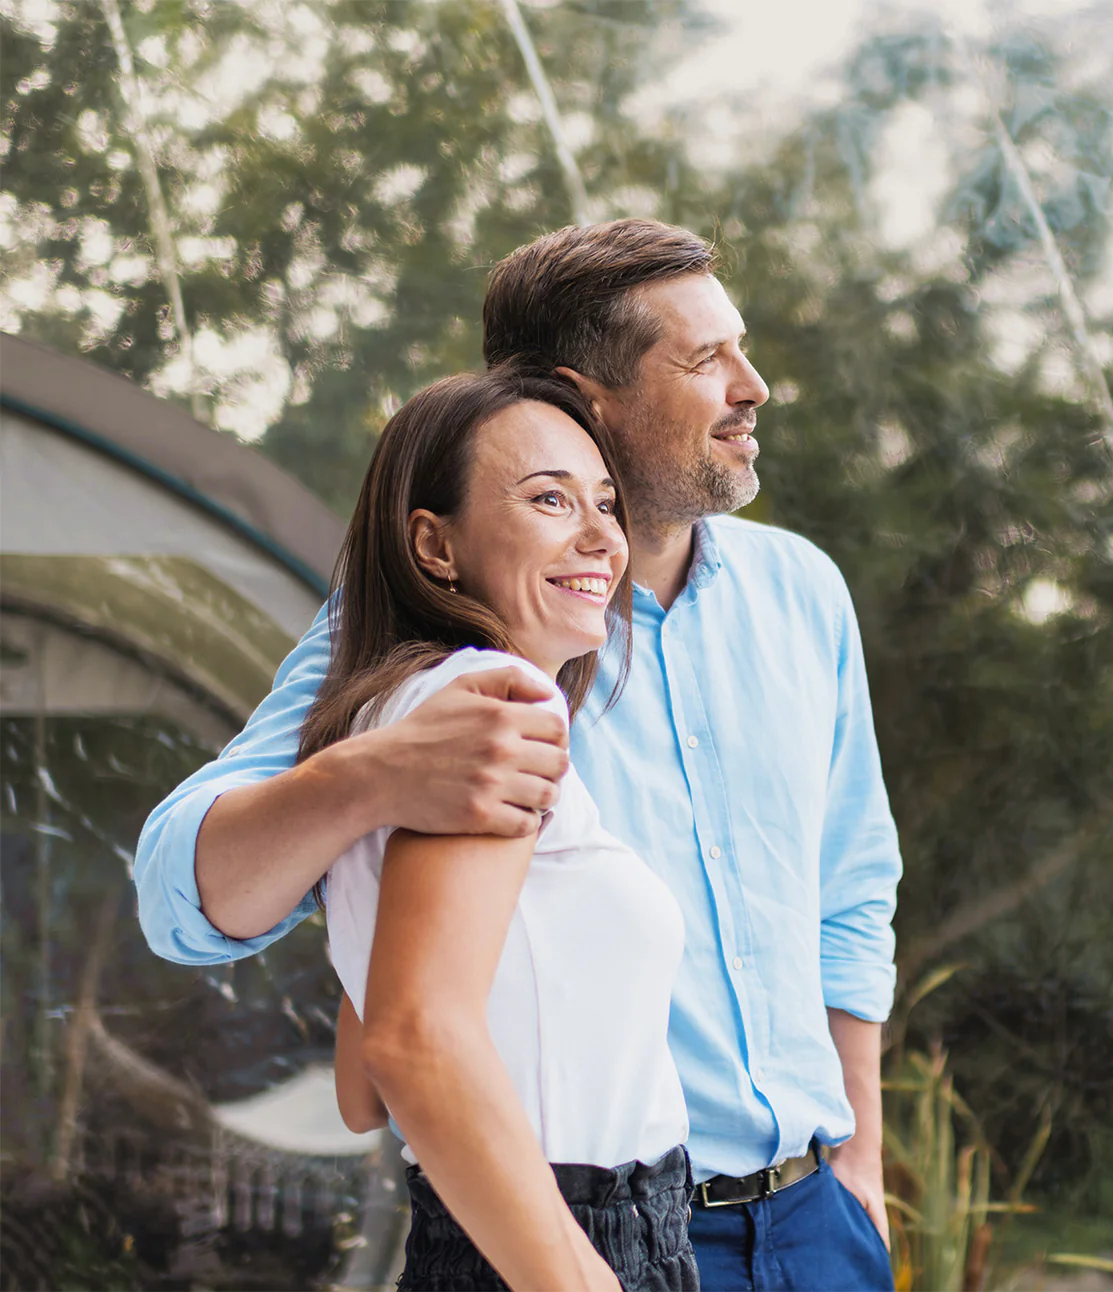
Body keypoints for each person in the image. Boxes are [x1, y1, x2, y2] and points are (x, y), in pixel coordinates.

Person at [135, 218, 902, 1292]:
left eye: (742, 346)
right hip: (587, 1231)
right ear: (584, 399)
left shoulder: (803, 593)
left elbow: (852, 896)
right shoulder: (441, 649)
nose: (754, 385)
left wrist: (857, 1164)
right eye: (704, 359)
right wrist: (372, 775)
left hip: (820, 1220)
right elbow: (181, 893)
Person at [308, 366, 696, 1291]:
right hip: (570, 1244)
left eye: (605, 502)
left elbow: (362, 1090)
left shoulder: (392, 717)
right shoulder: (497, 706)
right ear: (434, 546)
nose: (604, 536)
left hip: (478, 1235)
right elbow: (409, 1042)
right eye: (549, 499)